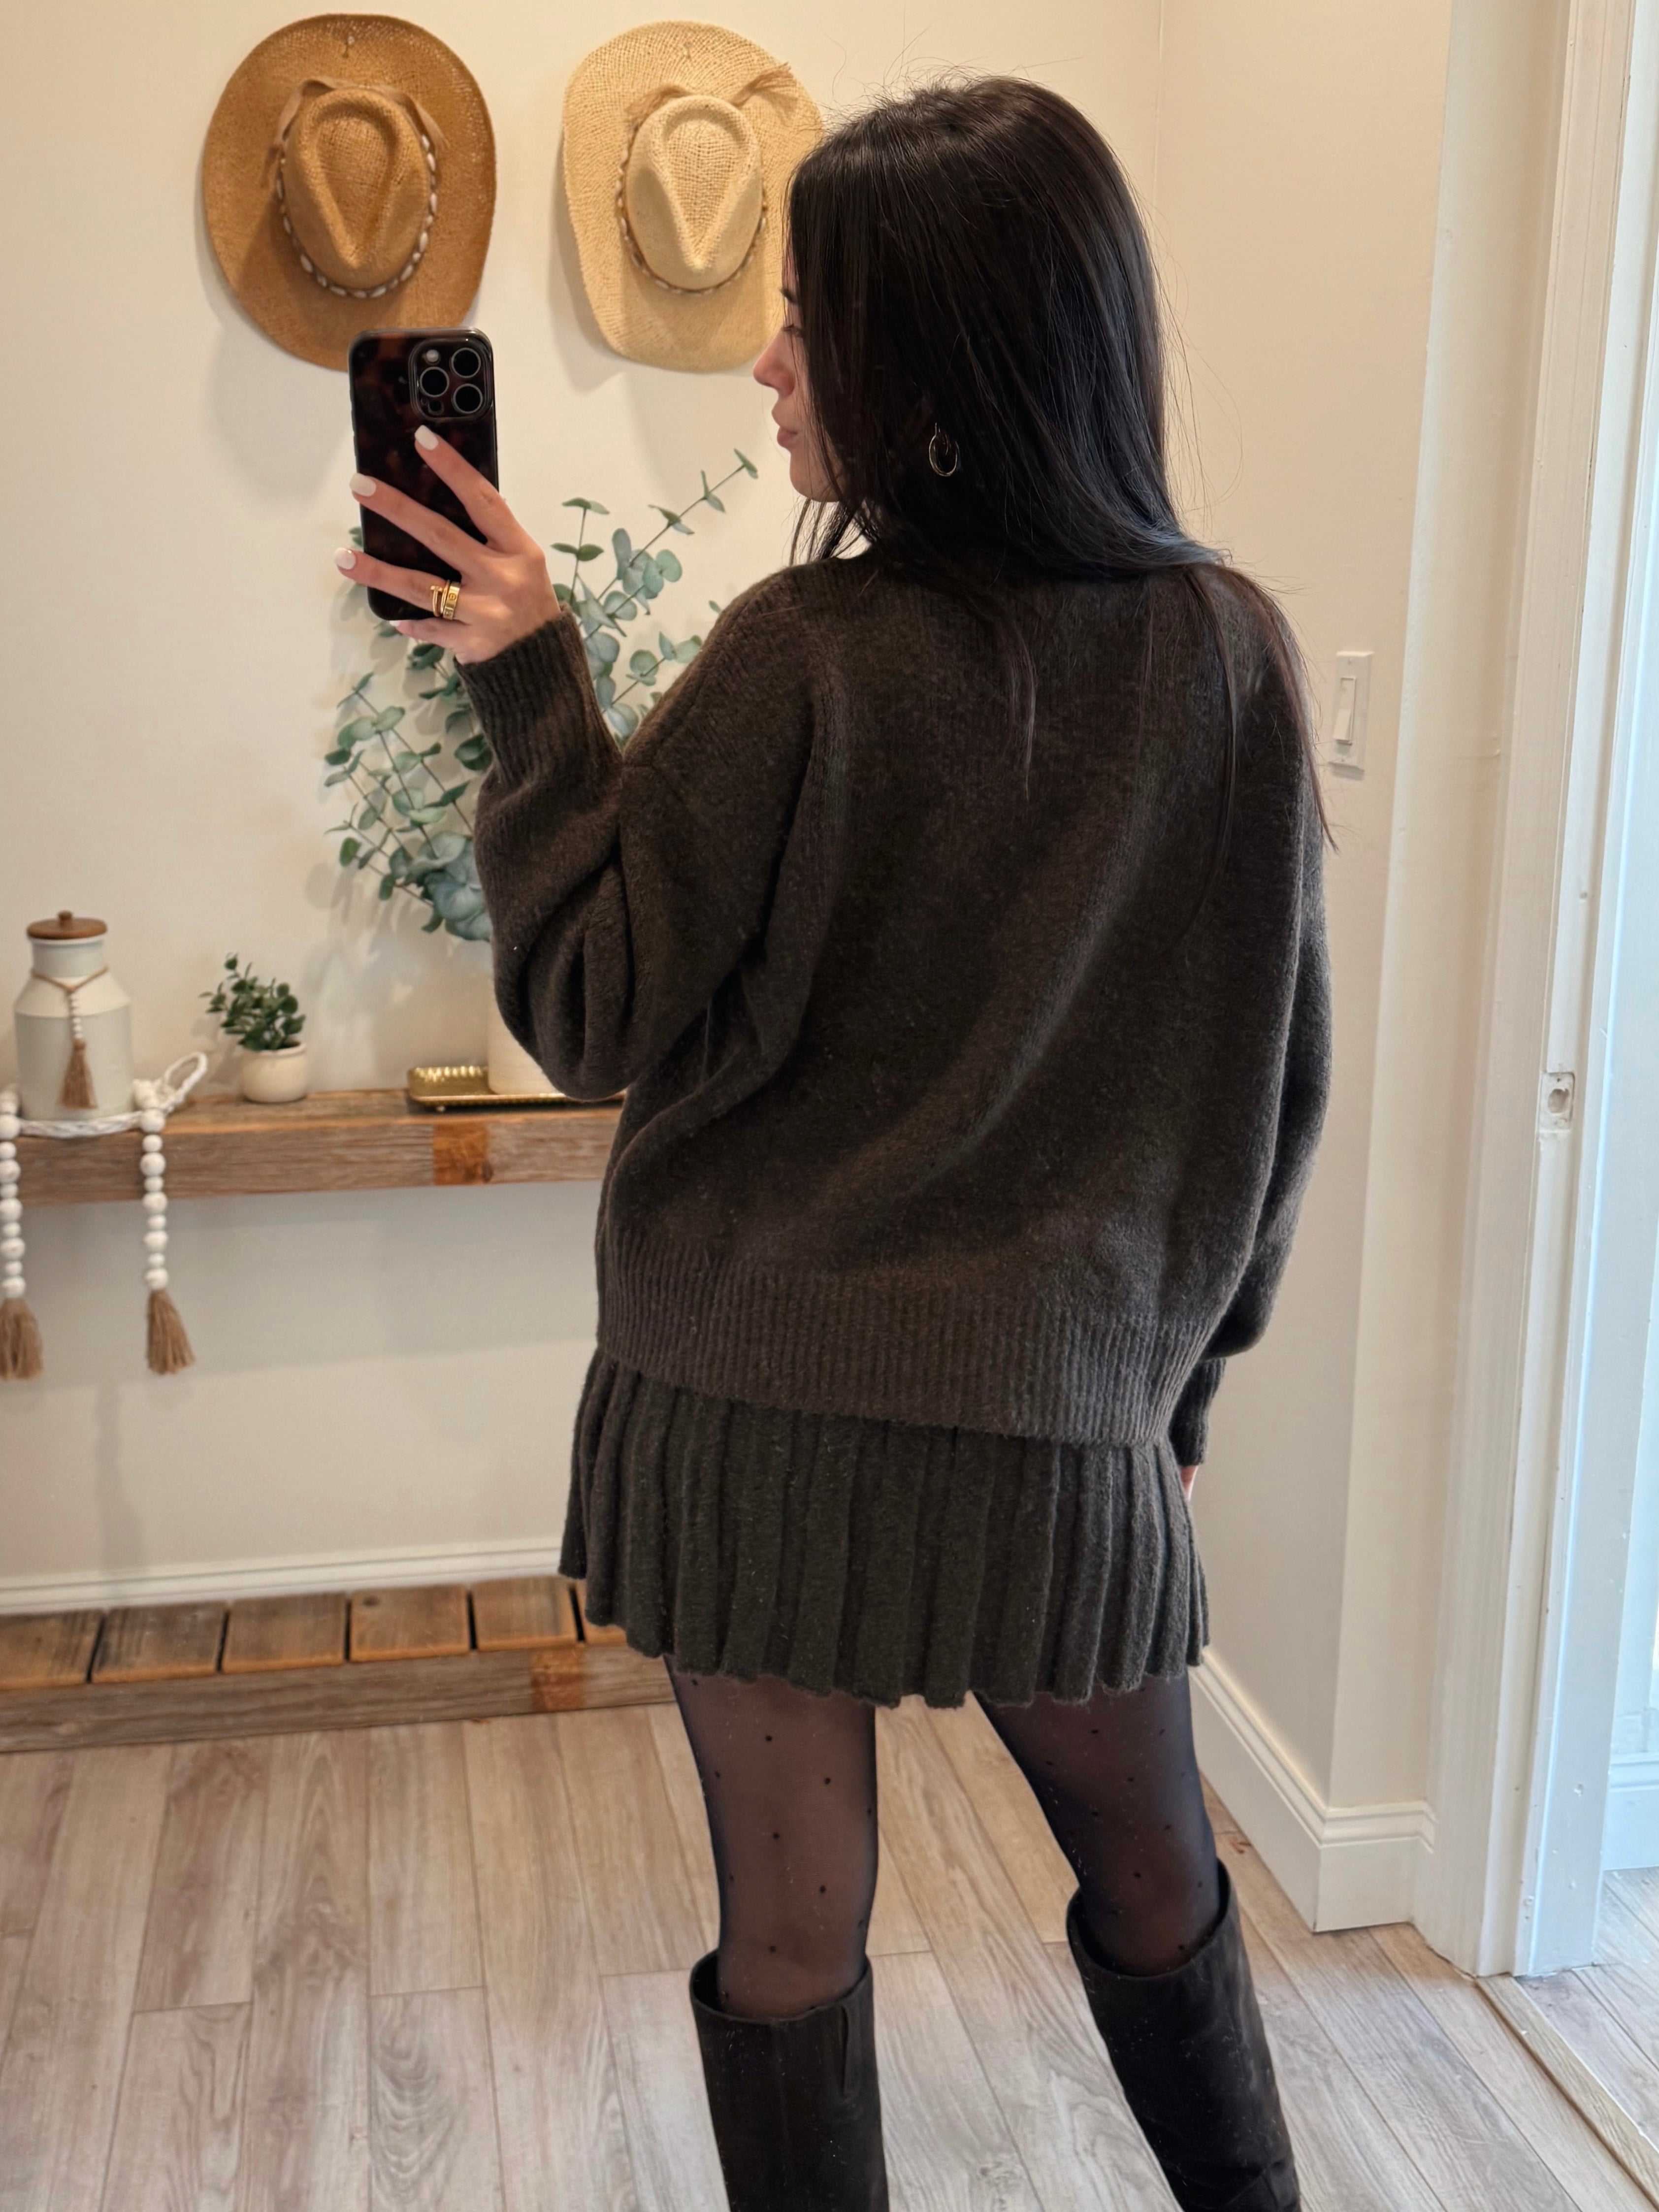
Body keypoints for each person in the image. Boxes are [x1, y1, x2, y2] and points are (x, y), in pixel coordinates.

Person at [336, 74, 1328, 2212]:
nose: (771, 367)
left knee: (790, 1945)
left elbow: (591, 1014)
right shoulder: (1225, 661)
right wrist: (1180, 1399)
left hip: (747, 1408)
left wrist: (530, 685)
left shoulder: (804, 660)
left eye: (810, 321)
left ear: (944, 368)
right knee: (1161, 1880)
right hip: (1058, 1421)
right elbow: (1267, 1093)